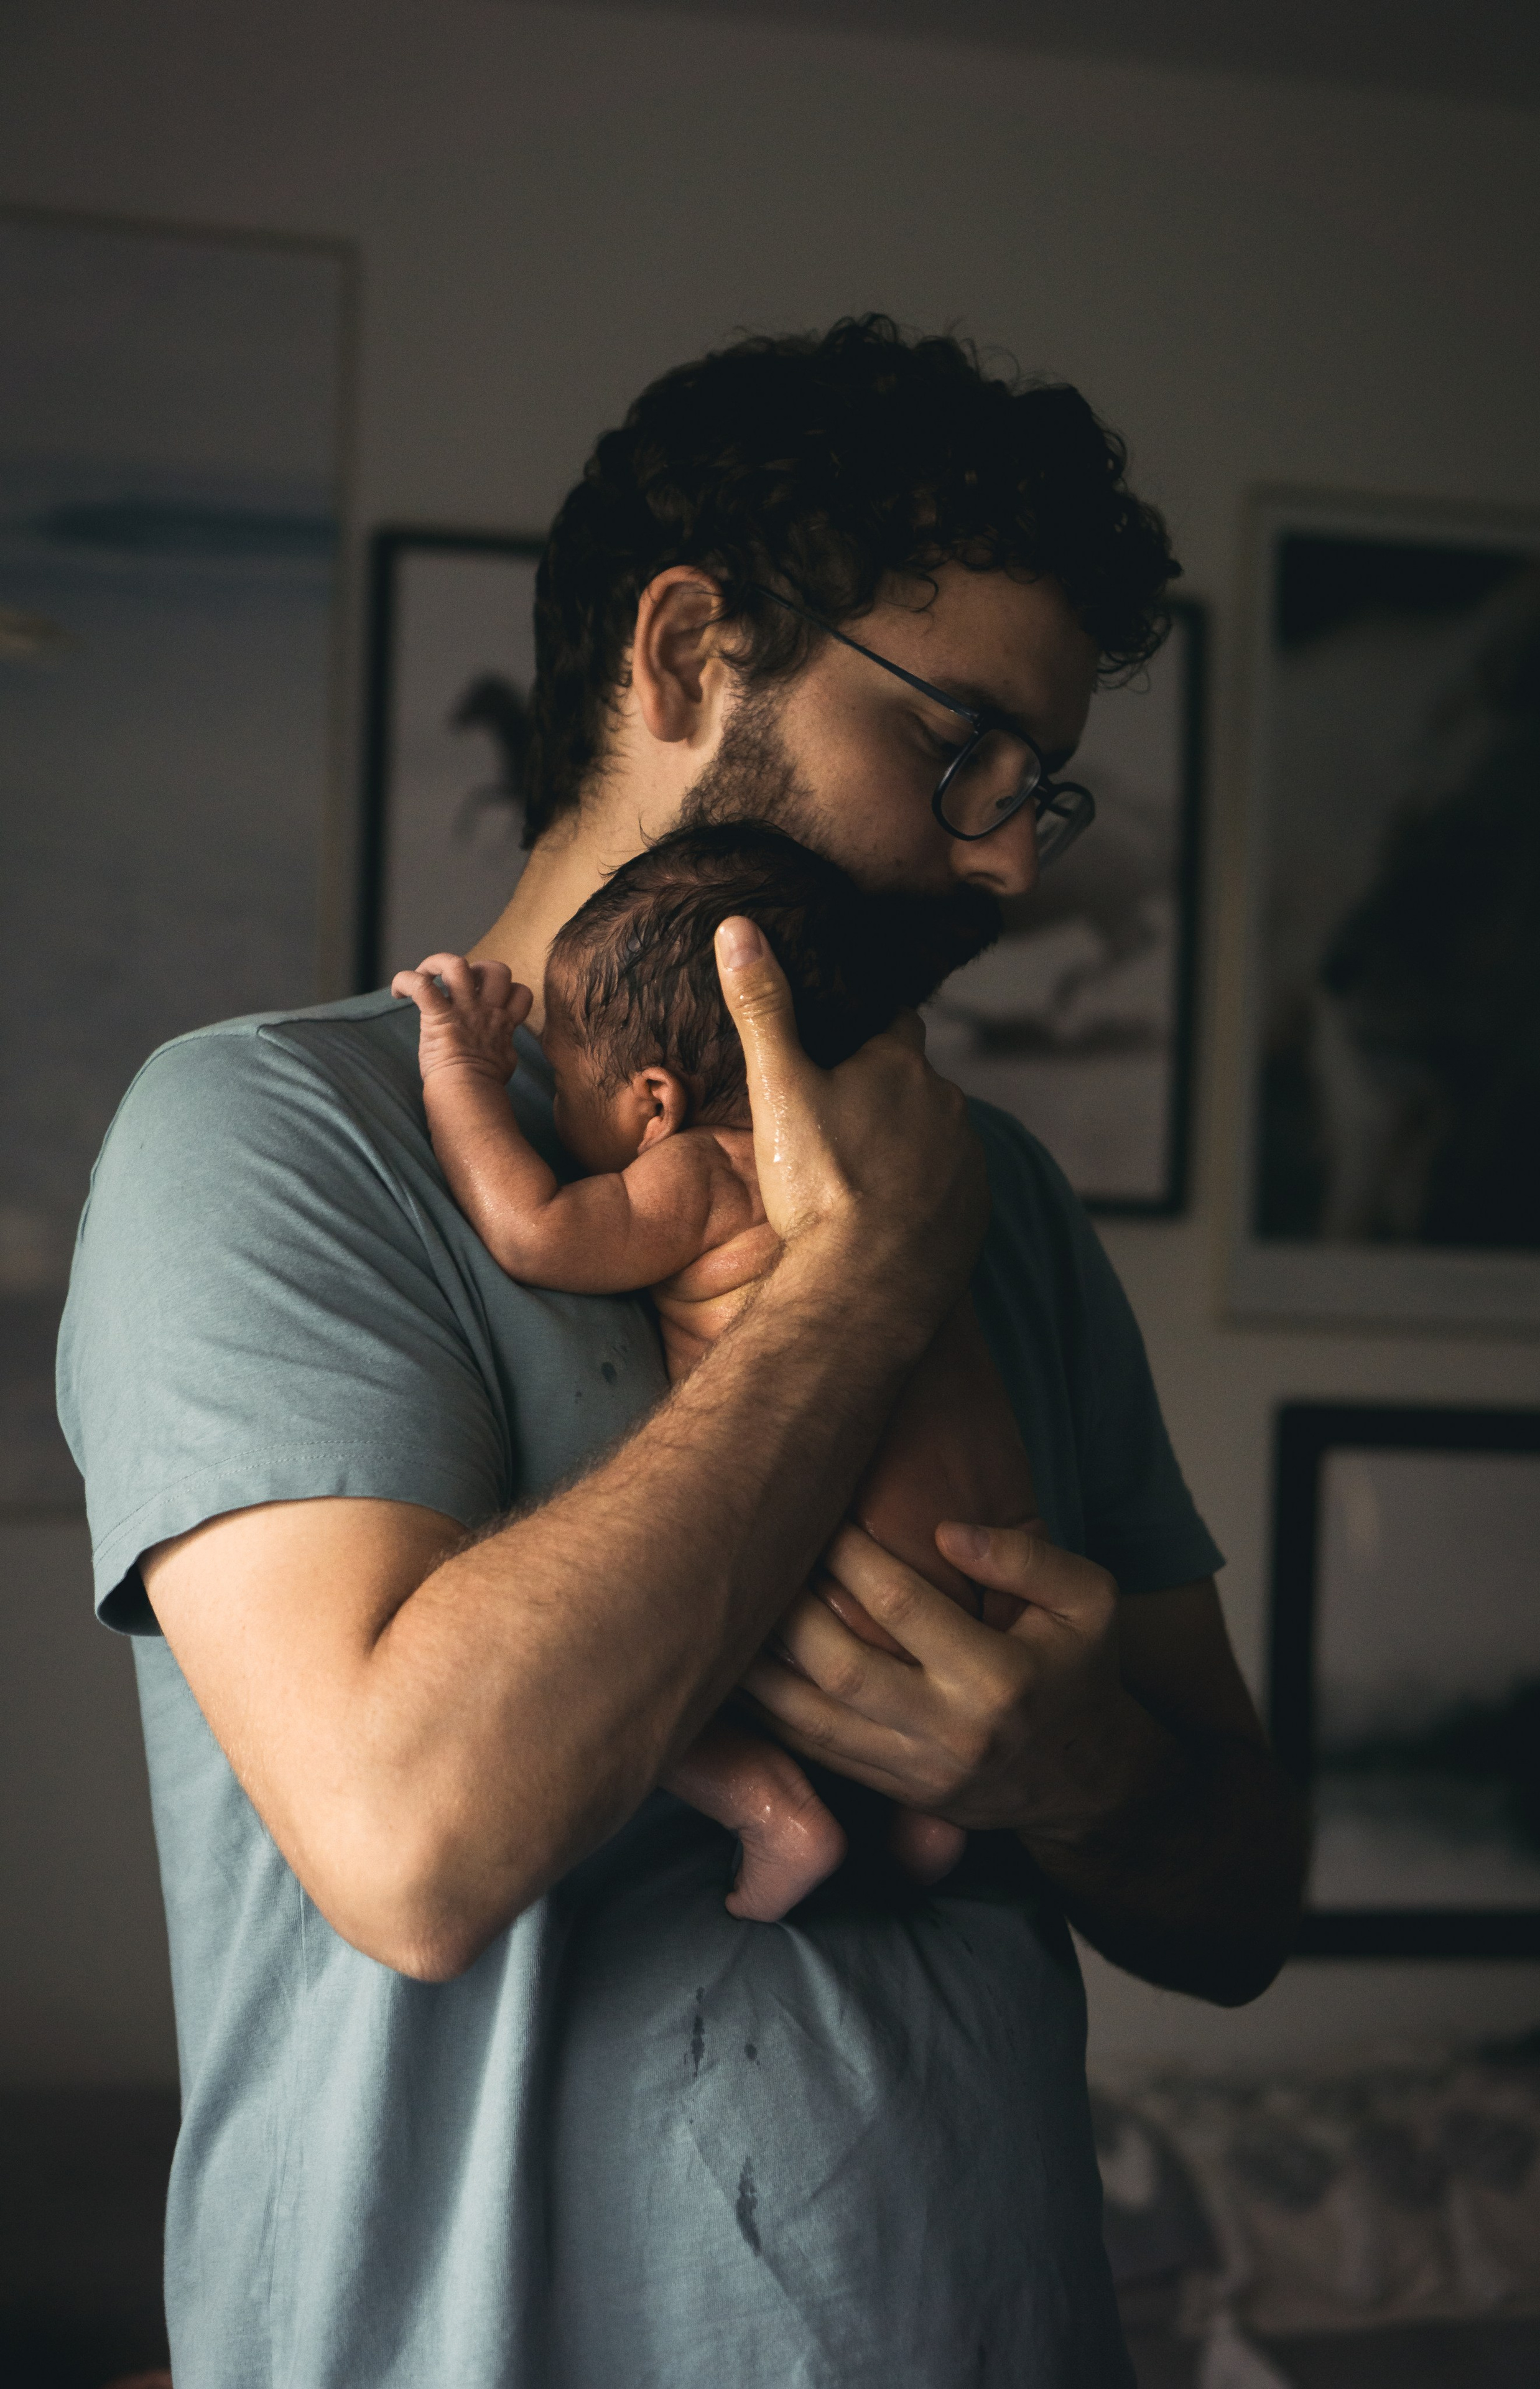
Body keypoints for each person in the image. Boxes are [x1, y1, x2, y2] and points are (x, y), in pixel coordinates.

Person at [59, 315, 1305, 2387]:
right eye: (957, 747)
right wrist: (849, 1293)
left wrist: (1074, 1771)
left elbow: (1242, 1905)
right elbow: (416, 1847)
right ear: (679, 656)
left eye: (1043, 790)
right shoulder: (269, 1139)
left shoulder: (1004, 1191)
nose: (1005, 852)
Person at [397, 821, 1044, 1920]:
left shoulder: (706, 1170)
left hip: (845, 1595)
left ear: (654, 1102)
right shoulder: (913, 1176)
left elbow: (532, 1230)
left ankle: (777, 1815)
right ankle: (940, 1822)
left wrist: (462, 1070)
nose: (553, 1108)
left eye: (564, 1084)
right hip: (987, 1576)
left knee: (623, 1661)